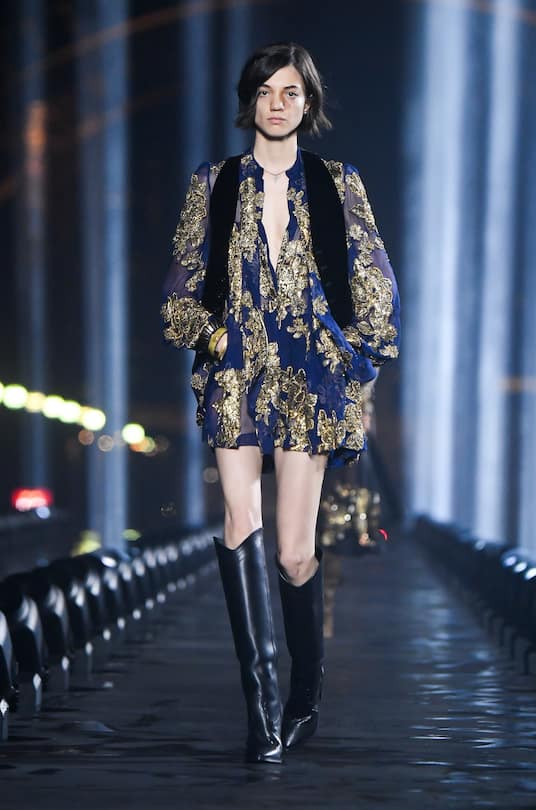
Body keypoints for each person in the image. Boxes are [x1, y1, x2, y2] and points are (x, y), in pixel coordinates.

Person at [161, 42, 400, 764]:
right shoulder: (213, 182)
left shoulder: (338, 182)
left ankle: (305, 695)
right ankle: (260, 708)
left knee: (296, 554)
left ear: (308, 103)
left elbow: (375, 278)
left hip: (309, 374)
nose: (277, 102)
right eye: (265, 90)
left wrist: (355, 355)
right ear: (250, 101)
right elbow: (180, 286)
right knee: (241, 522)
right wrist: (213, 335)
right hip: (236, 371)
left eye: (290, 91)